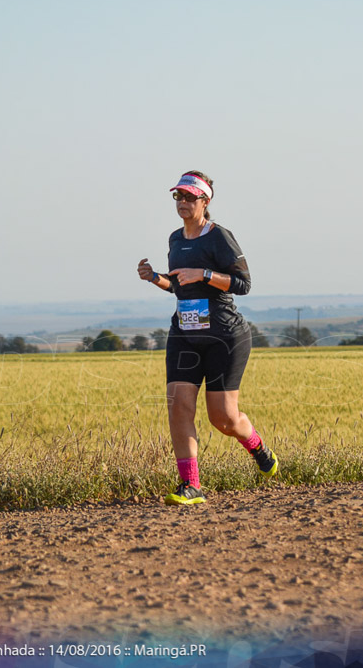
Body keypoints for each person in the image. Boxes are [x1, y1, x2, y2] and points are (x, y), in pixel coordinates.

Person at [137, 170, 278, 505]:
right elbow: (178, 285)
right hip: (185, 334)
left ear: (205, 200)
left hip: (224, 335)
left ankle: (259, 449)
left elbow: (243, 284)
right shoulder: (175, 239)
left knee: (223, 419)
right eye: (178, 197)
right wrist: (155, 277)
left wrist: (204, 274)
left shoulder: (219, 237)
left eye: (189, 197)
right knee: (179, 406)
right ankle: (191, 485)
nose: (182, 203)